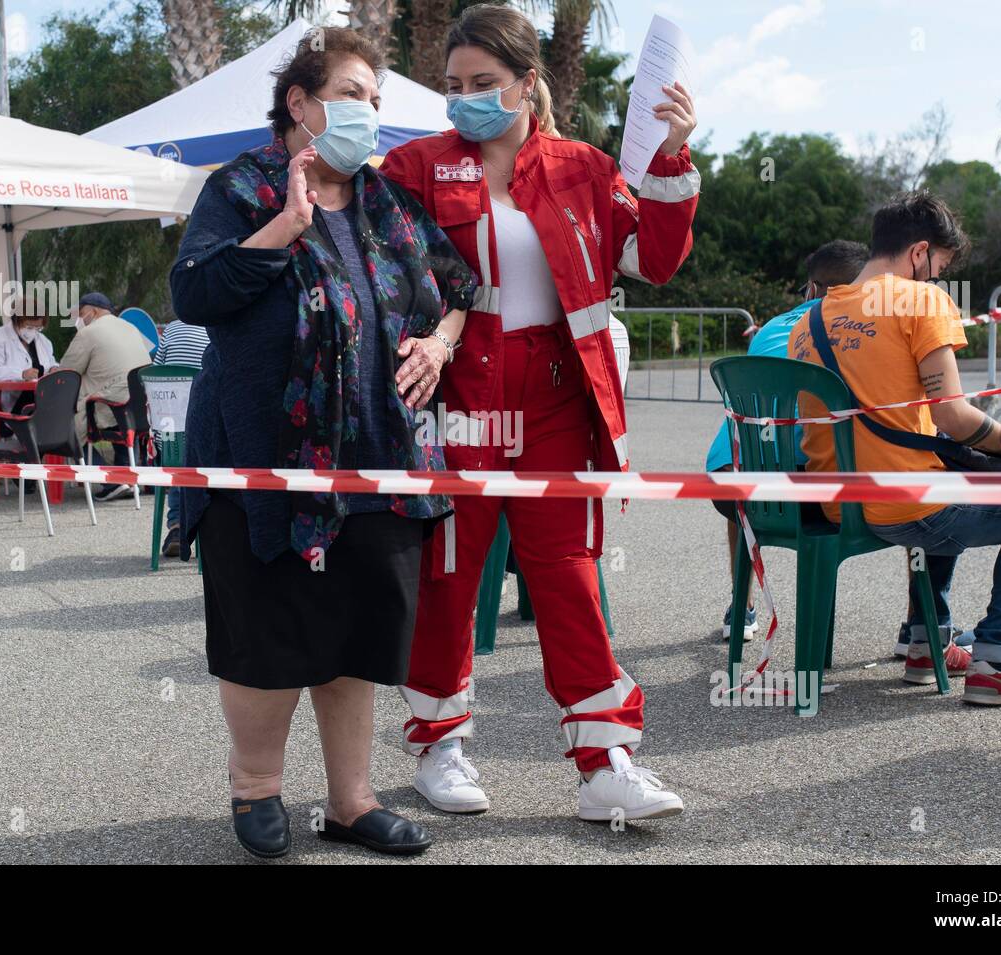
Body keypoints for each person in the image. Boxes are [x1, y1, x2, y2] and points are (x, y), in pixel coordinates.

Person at [380, 3, 698, 821]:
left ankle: (606, 762)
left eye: (484, 83)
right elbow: (380, 274)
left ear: (529, 84)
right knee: (452, 568)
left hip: (557, 396)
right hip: (462, 396)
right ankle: (439, 743)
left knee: (569, 575)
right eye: (453, 86)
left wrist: (671, 156)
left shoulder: (583, 168)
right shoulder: (416, 167)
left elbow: (653, 260)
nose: (466, 99)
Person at [169, 27, 477, 859]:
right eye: (350, 94)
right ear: (300, 105)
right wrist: (283, 228)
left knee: (355, 631)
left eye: (374, 99)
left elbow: (458, 285)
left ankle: (352, 800)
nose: (367, 112)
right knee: (266, 633)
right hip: (263, 456)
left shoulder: (385, 201)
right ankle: (256, 786)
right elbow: (194, 292)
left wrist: (441, 342)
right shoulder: (241, 187)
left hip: (378, 456)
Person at [788, 191, 1001, 704]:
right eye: (938, 267)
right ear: (920, 253)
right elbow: (954, 417)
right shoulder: (921, 301)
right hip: (905, 507)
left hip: (836, 504)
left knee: (940, 471)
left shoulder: (807, 321)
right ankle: (997, 660)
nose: (937, 280)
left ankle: (928, 643)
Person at [706, 240, 869, 642]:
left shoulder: (769, 330)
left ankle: (741, 610)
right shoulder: (862, 329)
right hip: (815, 488)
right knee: (916, 488)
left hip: (735, 485)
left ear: (811, 288)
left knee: (744, 470)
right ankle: (921, 628)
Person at [59, 292, 153, 501]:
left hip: (109, 405)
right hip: (138, 408)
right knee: (116, 417)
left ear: (92, 311)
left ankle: (112, 481)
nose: (80, 320)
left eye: (82, 314)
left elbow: (66, 372)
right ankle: (126, 478)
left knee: (69, 428)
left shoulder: (88, 333)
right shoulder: (130, 328)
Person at [151, 316, 210, 558]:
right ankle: (208, 529)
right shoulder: (214, 328)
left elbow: (154, 373)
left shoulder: (172, 329)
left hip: (169, 429)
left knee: (176, 457)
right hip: (204, 429)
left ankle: (176, 525)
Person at [0, 300, 59, 414]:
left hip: (36, 404)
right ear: (16, 320)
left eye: (38, 328)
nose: (33, 332)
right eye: (29, 327)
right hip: (5, 406)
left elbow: (50, 362)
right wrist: (21, 374)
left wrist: (53, 369)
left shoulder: (43, 341)